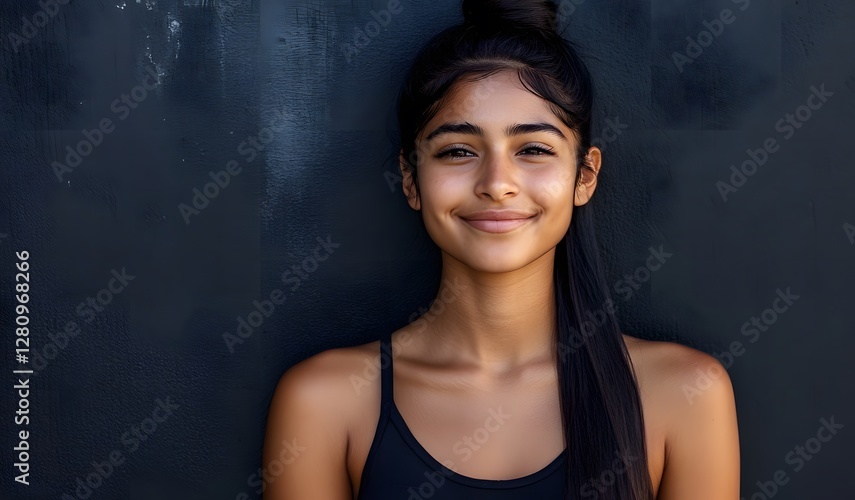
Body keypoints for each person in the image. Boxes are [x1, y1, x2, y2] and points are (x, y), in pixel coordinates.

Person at [262, 1, 740, 498]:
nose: (497, 184)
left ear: (585, 175)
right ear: (410, 178)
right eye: (458, 151)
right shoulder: (324, 402)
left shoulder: (687, 395)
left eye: (533, 149)